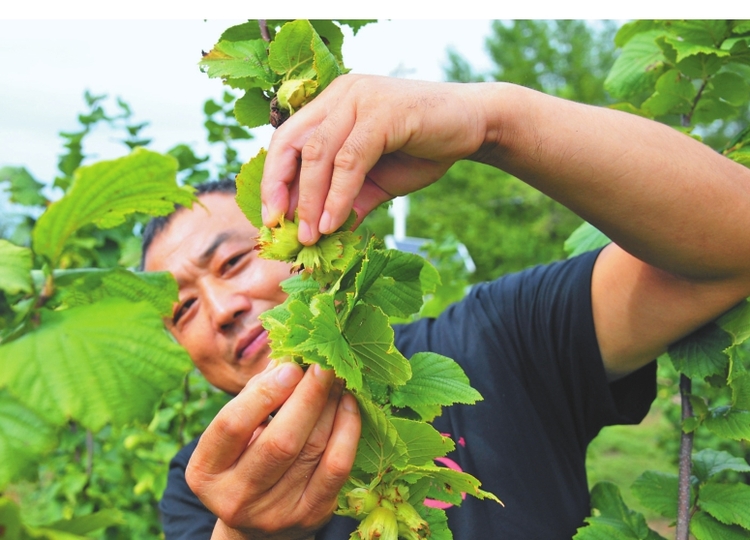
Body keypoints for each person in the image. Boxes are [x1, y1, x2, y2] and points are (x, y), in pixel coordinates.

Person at [143, 75, 750, 540]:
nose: (221, 308)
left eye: (230, 262)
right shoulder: (202, 484)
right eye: (183, 311)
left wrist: (493, 123)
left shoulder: (495, 342)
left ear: (308, 231)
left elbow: (735, 242)